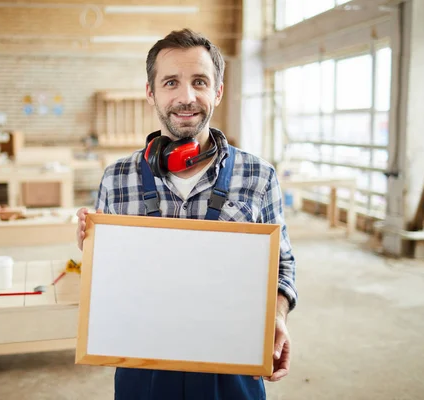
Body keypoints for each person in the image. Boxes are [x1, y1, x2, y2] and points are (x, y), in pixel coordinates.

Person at [76, 28, 297, 400]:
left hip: (232, 363)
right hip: (144, 366)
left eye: (199, 82)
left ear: (218, 91)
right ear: (151, 92)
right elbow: (114, 281)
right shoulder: (117, 178)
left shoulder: (260, 176)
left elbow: (282, 265)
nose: (187, 97)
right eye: (171, 82)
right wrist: (94, 251)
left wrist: (276, 317)